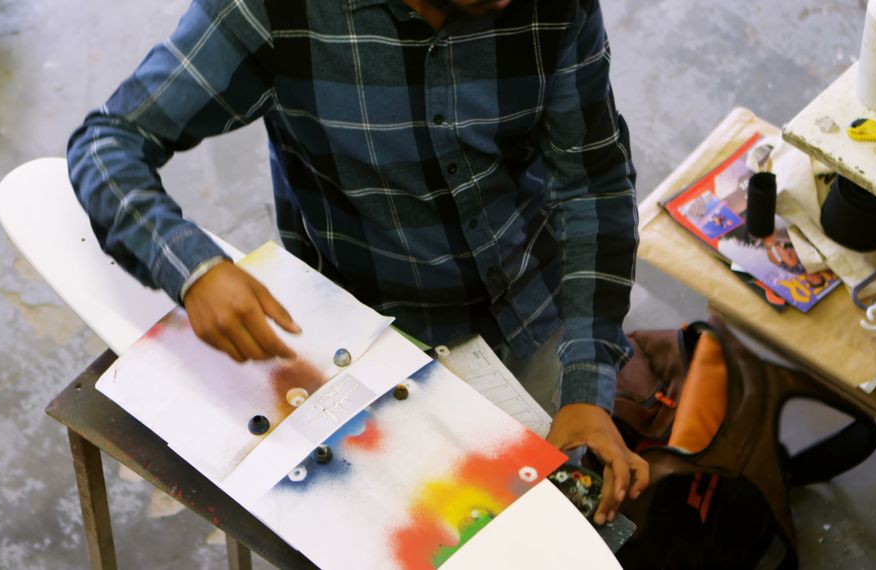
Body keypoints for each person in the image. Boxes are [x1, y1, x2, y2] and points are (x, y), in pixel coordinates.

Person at [67, 0, 647, 525]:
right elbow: (108, 140)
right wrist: (193, 270)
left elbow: (593, 188)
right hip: (371, 339)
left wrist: (586, 389)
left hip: (534, 308)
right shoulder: (272, 10)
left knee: (555, 530)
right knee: (403, 533)